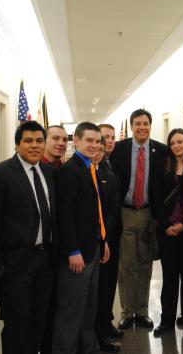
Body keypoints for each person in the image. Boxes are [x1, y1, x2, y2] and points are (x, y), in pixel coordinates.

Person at [0, 120, 58, 354]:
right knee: (17, 324)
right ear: (17, 144)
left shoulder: (50, 172)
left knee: (40, 320)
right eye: (28, 141)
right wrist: (1, 264)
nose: (34, 146)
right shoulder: (0, 173)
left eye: (39, 140)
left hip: (45, 260)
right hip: (16, 263)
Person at [52, 122, 113, 354]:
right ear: (75, 141)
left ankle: (89, 348)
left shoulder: (91, 167)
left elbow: (93, 211)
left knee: (89, 306)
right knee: (71, 310)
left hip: (93, 247)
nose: (94, 145)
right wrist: (72, 251)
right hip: (77, 253)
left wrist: (102, 239)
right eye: (89, 141)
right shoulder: (69, 171)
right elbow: (64, 216)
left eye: (98, 142)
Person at [111, 109, 167, 330]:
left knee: (144, 264)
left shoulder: (161, 151)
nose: (142, 127)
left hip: (147, 213)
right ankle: (126, 312)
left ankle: (142, 311)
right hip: (124, 212)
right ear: (132, 126)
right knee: (126, 265)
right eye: (137, 124)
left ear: (150, 125)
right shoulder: (120, 149)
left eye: (145, 123)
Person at [153, 129, 183, 337]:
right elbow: (155, 198)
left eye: (180, 141)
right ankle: (166, 321)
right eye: (172, 143)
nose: (177, 146)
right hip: (167, 232)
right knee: (170, 278)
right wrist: (166, 226)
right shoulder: (162, 165)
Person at [39, 124, 68, 354]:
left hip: (59, 249)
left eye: (64, 139)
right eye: (55, 138)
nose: (60, 143)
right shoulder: (36, 168)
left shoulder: (63, 169)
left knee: (57, 302)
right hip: (36, 251)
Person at [92, 139, 122, 352]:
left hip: (106, 241)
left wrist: (103, 235)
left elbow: (113, 210)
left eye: (101, 149)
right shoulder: (74, 173)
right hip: (84, 244)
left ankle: (103, 327)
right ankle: (92, 334)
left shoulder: (108, 176)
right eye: (94, 148)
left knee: (106, 287)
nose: (97, 152)